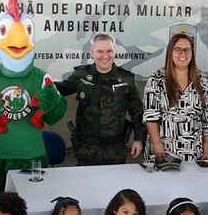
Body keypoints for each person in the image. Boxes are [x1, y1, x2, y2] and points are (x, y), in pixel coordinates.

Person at [0, 0, 67, 200]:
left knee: (35, 208)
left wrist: (52, 102)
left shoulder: (40, 75)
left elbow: (55, 116)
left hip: (33, 156)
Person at [55, 33, 145, 166]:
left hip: (115, 149)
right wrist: (38, 82)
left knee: (114, 186)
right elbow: (59, 90)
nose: (105, 55)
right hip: (86, 149)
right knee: (86, 185)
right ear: (91, 53)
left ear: (115, 52)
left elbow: (137, 111)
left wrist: (139, 139)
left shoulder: (126, 79)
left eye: (109, 51)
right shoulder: (82, 75)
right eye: (100, 51)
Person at [144, 33, 208, 163]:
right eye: (178, 49)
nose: (183, 53)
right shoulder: (156, 80)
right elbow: (150, 116)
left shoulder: (203, 80)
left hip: (193, 150)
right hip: (163, 150)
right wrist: (156, 143)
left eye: (187, 49)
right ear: (170, 52)